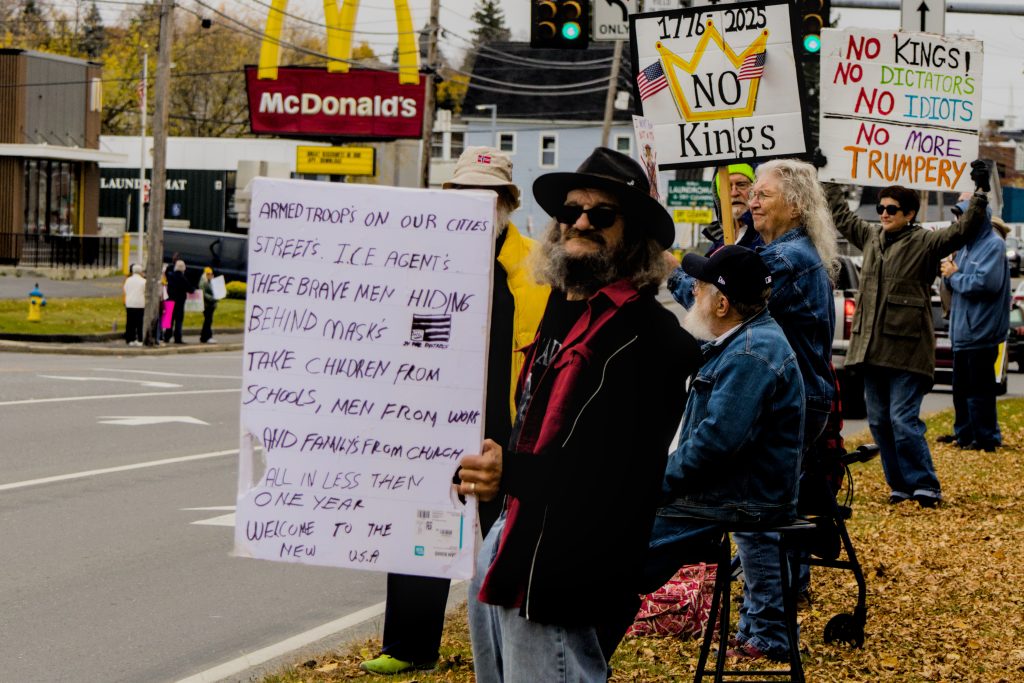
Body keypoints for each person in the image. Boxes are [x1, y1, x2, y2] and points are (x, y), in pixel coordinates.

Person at [455, 147, 701, 682]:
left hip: (569, 565)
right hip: (515, 538)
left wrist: (510, 473)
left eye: (602, 215)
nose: (580, 222)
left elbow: (614, 476)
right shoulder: (563, 308)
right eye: (570, 212)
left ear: (633, 234)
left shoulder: (654, 341)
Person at [360, 148, 550, 676]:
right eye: (464, 195)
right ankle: (408, 644)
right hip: (435, 418)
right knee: (423, 528)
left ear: (507, 204)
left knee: (505, 540)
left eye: (487, 196)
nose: (475, 206)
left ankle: (509, 644)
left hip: (508, 424)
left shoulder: (539, 265)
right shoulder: (425, 260)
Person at [666, 158, 837, 660]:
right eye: (751, 192)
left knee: (754, 510)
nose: (752, 200)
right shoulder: (778, 250)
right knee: (764, 507)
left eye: (763, 194)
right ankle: (766, 618)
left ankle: (767, 631)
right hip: (800, 394)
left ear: (797, 204)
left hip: (791, 398)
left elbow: (718, 301)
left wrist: (670, 269)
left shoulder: (785, 260)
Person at [643, 245, 805, 662]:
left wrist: (651, 483)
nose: (693, 292)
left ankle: (583, 649)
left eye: (700, 286)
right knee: (618, 542)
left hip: (740, 497)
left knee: (620, 544)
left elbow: (715, 443)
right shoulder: (744, 337)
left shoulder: (751, 353)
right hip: (732, 488)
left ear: (722, 303)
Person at [823, 160, 992, 507]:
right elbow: (840, 215)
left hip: (907, 350)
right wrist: (828, 177)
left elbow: (963, 231)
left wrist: (980, 192)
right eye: (882, 207)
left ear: (910, 213)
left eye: (892, 209)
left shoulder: (926, 243)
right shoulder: (870, 236)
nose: (884, 213)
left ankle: (925, 485)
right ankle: (899, 485)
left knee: (902, 419)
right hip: (870, 350)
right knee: (881, 422)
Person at [938, 199, 1010, 452]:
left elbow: (984, 284)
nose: (960, 222)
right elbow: (955, 283)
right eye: (958, 217)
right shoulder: (965, 247)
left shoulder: (993, 245)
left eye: (963, 216)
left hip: (982, 330)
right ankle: (965, 435)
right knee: (961, 389)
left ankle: (985, 438)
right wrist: (948, 275)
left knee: (979, 390)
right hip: (962, 331)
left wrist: (954, 275)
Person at [700, 163, 761, 254]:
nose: (733, 193)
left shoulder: (766, 236)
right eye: (726, 187)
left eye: (741, 185)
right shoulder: (718, 242)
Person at [164, 259, 193, 344]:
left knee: (168, 320)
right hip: (179, 302)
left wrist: (172, 264)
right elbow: (190, 289)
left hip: (169, 300)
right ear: (184, 268)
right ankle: (177, 338)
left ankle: (166, 337)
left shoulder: (170, 276)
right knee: (178, 321)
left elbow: (167, 271)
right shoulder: (182, 278)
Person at [123, 264, 145, 347]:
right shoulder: (143, 281)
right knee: (139, 323)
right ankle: (140, 339)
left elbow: (125, 289)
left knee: (130, 323)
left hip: (129, 303)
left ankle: (130, 339)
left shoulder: (128, 280)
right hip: (140, 304)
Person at [198, 267, 218, 344]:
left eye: (211, 274)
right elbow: (203, 293)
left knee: (208, 321)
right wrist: (212, 298)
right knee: (208, 321)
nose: (210, 275)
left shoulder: (210, 282)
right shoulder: (203, 282)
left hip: (211, 305)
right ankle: (207, 336)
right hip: (206, 305)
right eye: (209, 274)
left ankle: (204, 336)